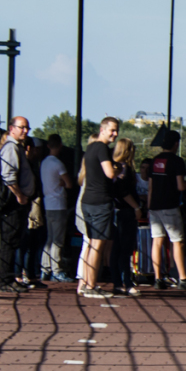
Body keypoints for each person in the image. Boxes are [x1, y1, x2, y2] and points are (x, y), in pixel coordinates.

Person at [148, 131, 186, 290]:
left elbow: (150, 187)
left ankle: (158, 278)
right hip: (170, 205)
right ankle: (183, 279)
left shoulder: (154, 161)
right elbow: (181, 186)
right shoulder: (177, 161)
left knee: (157, 241)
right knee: (177, 241)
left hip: (154, 207)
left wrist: (149, 207)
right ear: (176, 144)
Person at [79, 117, 121, 299]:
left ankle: (87, 283)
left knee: (90, 243)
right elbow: (109, 173)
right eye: (112, 130)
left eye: (116, 130)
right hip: (100, 201)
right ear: (102, 129)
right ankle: (91, 285)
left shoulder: (90, 147)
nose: (115, 134)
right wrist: (118, 169)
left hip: (87, 200)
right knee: (98, 245)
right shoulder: (103, 148)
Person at [0, 118, 37, 293]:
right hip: (14, 201)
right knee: (10, 240)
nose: (25, 131)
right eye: (22, 127)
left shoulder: (17, 147)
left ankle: (10, 278)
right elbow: (8, 175)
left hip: (18, 200)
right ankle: (5, 280)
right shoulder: (11, 148)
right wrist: (19, 195)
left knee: (13, 240)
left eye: (27, 127)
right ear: (12, 129)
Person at [109, 138, 143, 296]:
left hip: (116, 210)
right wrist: (136, 206)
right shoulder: (125, 168)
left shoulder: (114, 167)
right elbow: (123, 191)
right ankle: (127, 282)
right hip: (127, 210)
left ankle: (117, 282)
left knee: (116, 248)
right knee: (126, 248)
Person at [40, 134, 76, 282]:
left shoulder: (44, 163)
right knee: (58, 240)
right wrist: (61, 182)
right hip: (59, 204)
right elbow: (69, 184)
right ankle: (57, 270)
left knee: (50, 238)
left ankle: (45, 268)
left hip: (48, 203)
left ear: (48, 145)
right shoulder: (58, 164)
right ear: (60, 145)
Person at [15, 138, 49, 289]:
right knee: (25, 242)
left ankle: (28, 274)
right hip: (30, 204)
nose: (38, 152)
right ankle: (20, 275)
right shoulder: (27, 165)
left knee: (31, 242)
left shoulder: (30, 164)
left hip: (31, 203)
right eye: (36, 149)